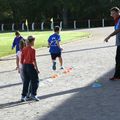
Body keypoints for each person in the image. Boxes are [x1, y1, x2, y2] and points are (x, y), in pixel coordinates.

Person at [21, 36, 40, 102]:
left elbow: (22, 58)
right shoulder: (33, 49)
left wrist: (22, 66)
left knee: (26, 82)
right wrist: (37, 69)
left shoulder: (24, 49)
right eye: (34, 41)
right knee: (35, 81)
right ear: (31, 42)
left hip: (24, 66)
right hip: (30, 66)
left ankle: (23, 96)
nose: (34, 42)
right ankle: (33, 94)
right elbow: (34, 60)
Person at [104, 7, 120, 80]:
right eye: (111, 13)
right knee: (118, 59)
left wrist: (109, 36)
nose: (111, 15)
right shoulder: (117, 20)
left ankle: (117, 76)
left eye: (113, 13)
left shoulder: (119, 20)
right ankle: (117, 76)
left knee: (118, 59)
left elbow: (118, 30)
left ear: (117, 13)